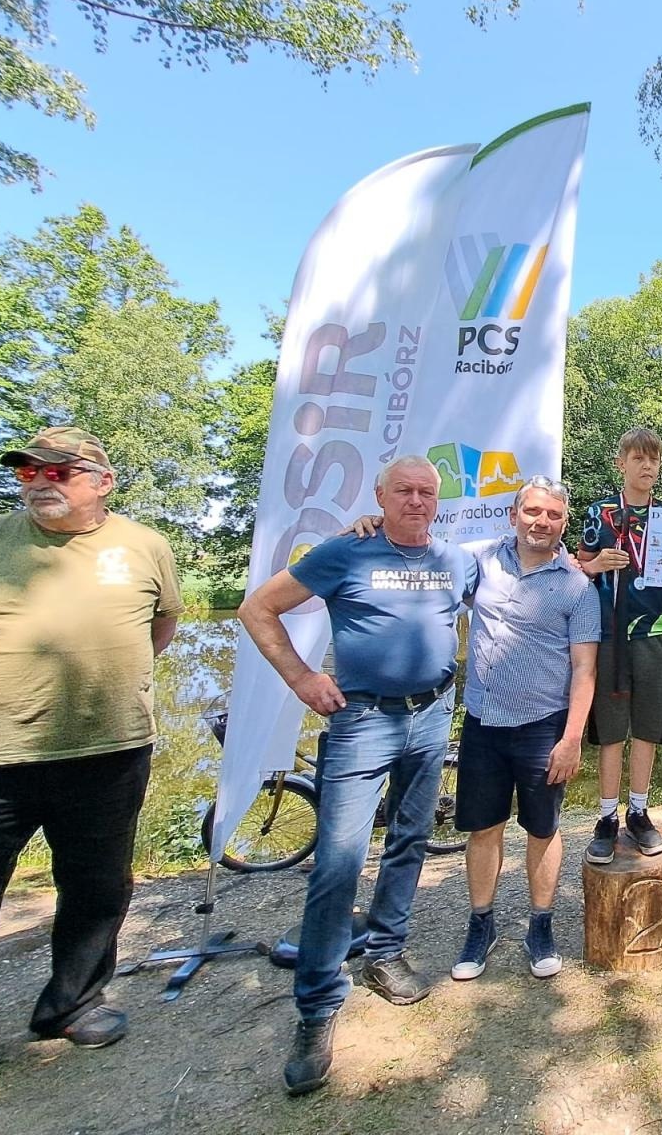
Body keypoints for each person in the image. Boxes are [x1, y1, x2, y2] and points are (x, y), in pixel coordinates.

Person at [239, 455, 476, 1096]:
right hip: (362, 720)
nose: (418, 501)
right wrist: (302, 678)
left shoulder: (456, 561)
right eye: (404, 491)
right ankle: (316, 1011)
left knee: (409, 840)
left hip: (431, 716)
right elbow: (258, 608)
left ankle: (386, 950)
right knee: (338, 861)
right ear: (380, 495)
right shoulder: (347, 551)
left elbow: (522, 576)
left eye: (428, 492)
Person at [0, 428, 181, 1050]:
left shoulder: (144, 545)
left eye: (56, 473)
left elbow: (162, 623)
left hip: (108, 750)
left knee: (97, 887)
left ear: (101, 481)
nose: (39, 484)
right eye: (27, 473)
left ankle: (72, 1003)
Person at [451, 477, 599, 985]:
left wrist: (572, 738)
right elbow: (420, 546)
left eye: (553, 515)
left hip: (542, 729)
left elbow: (585, 670)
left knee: (543, 829)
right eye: (532, 511)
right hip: (483, 723)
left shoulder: (577, 586)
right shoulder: (479, 560)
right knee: (484, 828)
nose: (541, 522)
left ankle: (540, 925)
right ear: (514, 514)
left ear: (564, 521)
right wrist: (377, 522)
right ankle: (481, 925)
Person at [577, 429, 662, 862]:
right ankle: (605, 818)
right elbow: (575, 568)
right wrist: (595, 564)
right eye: (638, 458)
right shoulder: (599, 514)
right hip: (609, 634)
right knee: (612, 732)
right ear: (622, 463)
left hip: (655, 633)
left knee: (648, 729)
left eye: (653, 459)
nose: (647, 466)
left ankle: (638, 812)